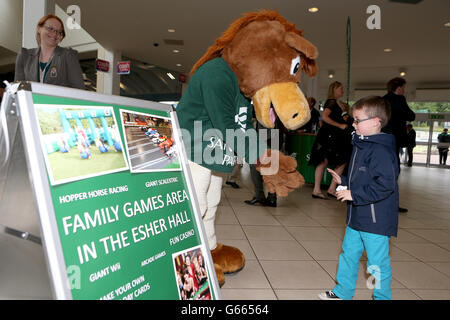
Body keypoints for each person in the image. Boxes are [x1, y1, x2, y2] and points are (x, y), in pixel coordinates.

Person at [319, 95, 398, 301]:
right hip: (356, 216)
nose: (353, 124)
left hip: (376, 220)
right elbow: (363, 178)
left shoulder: (381, 150)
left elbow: (385, 185)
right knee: (348, 256)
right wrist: (344, 180)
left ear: (375, 122)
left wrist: (353, 194)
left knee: (376, 264)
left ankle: (382, 297)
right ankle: (343, 292)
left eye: (357, 120)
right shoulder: (361, 144)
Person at [14, 14, 85, 89]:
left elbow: (79, 88)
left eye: (59, 32)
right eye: (50, 28)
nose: (54, 34)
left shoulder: (68, 55)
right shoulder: (24, 56)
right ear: (39, 28)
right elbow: (17, 89)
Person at [309, 81, 353, 199]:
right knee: (329, 161)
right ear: (334, 89)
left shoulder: (336, 104)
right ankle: (322, 189)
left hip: (331, 137)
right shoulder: (332, 102)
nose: (342, 91)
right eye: (340, 88)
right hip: (329, 137)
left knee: (329, 161)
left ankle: (326, 189)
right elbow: (324, 117)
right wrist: (339, 125)